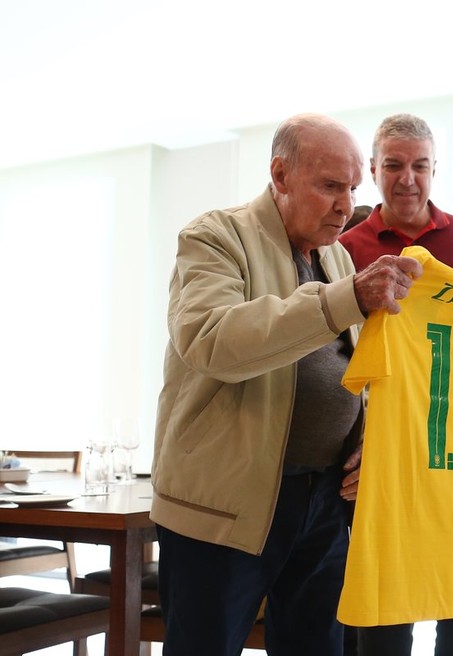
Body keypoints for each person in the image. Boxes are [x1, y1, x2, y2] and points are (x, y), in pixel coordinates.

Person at [151, 113, 422, 656]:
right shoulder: (213, 236)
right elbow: (212, 340)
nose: (345, 205)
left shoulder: (336, 254)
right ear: (280, 174)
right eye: (329, 186)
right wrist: (344, 298)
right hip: (227, 507)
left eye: (351, 188)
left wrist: (366, 433)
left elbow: (352, 369)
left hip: (322, 500)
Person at [339, 113, 453, 656]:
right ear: (372, 170)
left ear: (435, 170)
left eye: (419, 166)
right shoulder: (344, 250)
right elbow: (328, 356)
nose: (407, 178)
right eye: (393, 165)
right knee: (384, 614)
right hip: (378, 454)